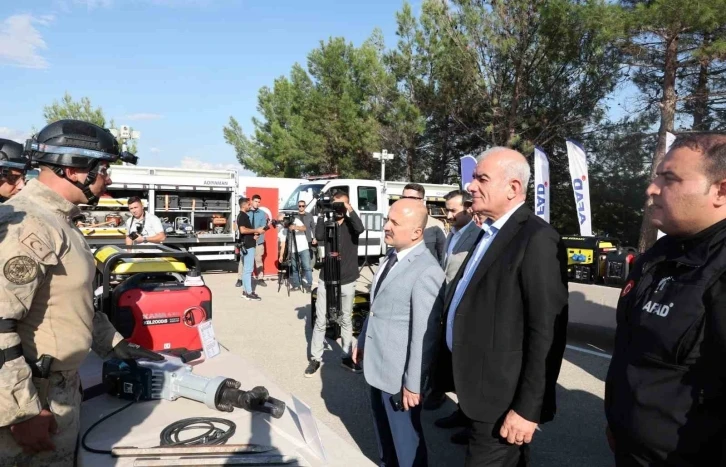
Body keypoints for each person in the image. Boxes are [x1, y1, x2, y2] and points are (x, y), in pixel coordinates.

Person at [0, 119, 163, 466]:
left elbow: (74, 302)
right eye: (104, 169)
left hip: (56, 391)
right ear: (74, 169)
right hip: (33, 402)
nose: (109, 179)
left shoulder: (58, 221)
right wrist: (20, 411)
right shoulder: (27, 224)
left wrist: (117, 346)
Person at [435, 147, 568, 466]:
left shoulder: (537, 239)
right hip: (479, 390)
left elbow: (546, 334)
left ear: (513, 188)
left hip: (502, 400)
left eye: (481, 179)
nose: (470, 186)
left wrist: (527, 409)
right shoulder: (489, 232)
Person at [605, 133, 726, 466]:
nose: (651, 188)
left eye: (669, 179)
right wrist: (619, 422)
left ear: (721, 190)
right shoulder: (657, 255)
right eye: (656, 176)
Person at [354, 198, 445, 467]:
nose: (386, 226)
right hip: (376, 366)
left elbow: (424, 336)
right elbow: (376, 309)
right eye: (387, 220)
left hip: (398, 377)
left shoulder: (427, 271)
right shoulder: (390, 258)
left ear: (417, 232)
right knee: (385, 437)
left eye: (394, 222)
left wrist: (413, 383)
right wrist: (362, 341)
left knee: (406, 444)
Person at [426, 189, 480, 445]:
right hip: (447, 306)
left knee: (467, 369)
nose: (448, 215)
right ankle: (461, 412)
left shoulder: (477, 235)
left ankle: (473, 422)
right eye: (446, 210)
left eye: (453, 210)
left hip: (464, 312)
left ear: (469, 208)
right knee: (453, 365)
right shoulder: (453, 233)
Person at [305, 191, 365, 377]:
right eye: (335, 204)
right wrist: (322, 213)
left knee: (345, 319)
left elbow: (360, 228)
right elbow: (319, 235)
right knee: (321, 320)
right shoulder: (328, 222)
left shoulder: (351, 225)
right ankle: (315, 358)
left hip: (347, 278)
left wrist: (349, 209)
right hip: (327, 277)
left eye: (341, 205)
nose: (338, 209)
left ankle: (346, 357)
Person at [402, 183, 447, 264]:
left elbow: (443, 257)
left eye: (411, 198)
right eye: (404, 198)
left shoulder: (435, 225)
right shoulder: (396, 223)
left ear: (421, 200)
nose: (406, 201)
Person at [237, 197, 263, 301]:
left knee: (246, 270)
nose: (250, 206)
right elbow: (243, 230)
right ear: (244, 205)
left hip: (247, 243)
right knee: (248, 270)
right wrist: (256, 230)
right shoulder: (243, 216)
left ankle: (245, 291)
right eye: (248, 204)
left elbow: (245, 232)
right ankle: (249, 292)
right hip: (248, 246)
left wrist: (253, 236)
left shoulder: (242, 215)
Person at [288, 200, 314, 292]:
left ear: (305, 206)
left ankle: (309, 285)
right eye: (300, 206)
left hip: (304, 245)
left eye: (303, 206)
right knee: (295, 268)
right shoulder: (293, 217)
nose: (301, 207)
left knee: (307, 266)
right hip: (293, 247)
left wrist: (295, 227)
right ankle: (296, 285)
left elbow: (306, 227)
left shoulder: (299, 218)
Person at [249, 194, 269, 286]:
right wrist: (250, 235)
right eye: (255, 201)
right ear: (251, 201)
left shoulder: (262, 213)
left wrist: (256, 234)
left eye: (259, 202)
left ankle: (260, 278)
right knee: (244, 260)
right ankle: (240, 279)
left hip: (258, 240)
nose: (257, 203)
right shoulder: (247, 212)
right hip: (248, 239)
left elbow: (263, 227)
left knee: (258, 260)